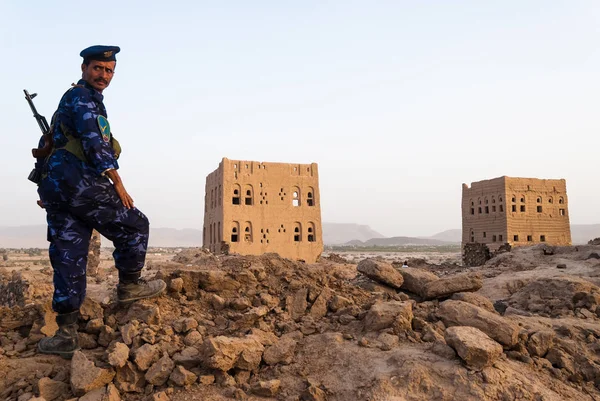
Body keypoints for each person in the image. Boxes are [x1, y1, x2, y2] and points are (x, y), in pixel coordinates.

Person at [36, 45, 166, 358]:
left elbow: (48, 145)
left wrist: (48, 190)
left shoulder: (68, 101)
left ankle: (65, 334)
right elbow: (96, 142)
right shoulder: (83, 98)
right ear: (84, 68)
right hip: (79, 182)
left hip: (59, 186)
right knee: (135, 224)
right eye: (97, 68)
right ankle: (130, 286)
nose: (103, 76)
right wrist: (117, 183)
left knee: (69, 253)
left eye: (109, 71)